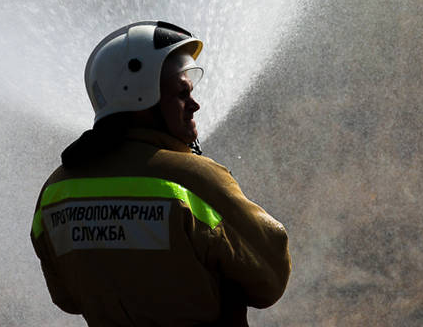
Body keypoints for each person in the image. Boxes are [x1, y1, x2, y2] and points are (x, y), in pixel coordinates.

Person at [31, 21, 291, 326]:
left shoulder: (55, 191)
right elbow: (270, 280)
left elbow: (66, 297)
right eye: (181, 93)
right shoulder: (195, 180)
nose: (194, 104)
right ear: (140, 98)